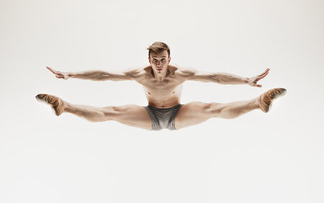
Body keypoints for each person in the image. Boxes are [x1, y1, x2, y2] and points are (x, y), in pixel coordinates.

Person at [36, 42, 286, 130]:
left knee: (211, 108)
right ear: (149, 60)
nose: (158, 64)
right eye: (154, 60)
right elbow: (104, 75)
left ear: (169, 58)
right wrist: (71, 74)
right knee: (111, 111)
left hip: (179, 114)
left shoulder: (181, 73)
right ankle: (63, 105)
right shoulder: (140, 73)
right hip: (150, 115)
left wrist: (245, 80)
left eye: (162, 60)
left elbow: (214, 78)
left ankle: (258, 102)